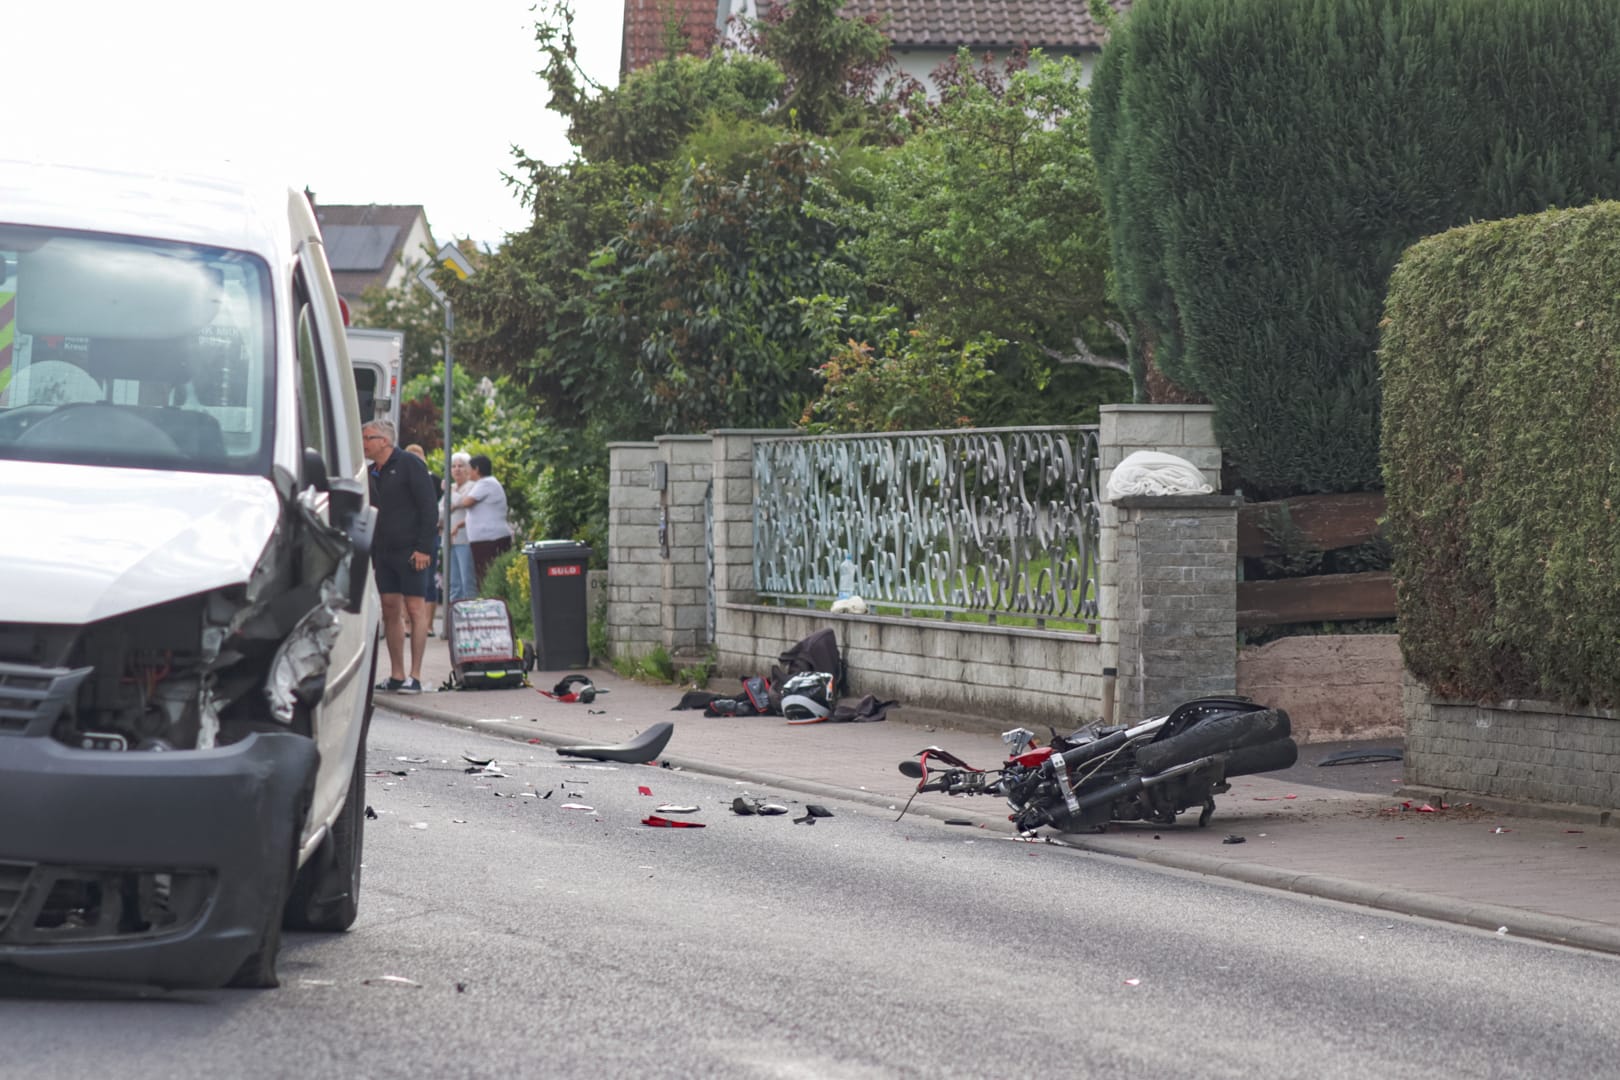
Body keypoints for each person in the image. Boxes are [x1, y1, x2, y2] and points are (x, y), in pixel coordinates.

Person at [363, 420, 438, 693]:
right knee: (390, 608)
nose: (364, 443)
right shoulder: (370, 473)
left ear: (384, 441)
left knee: (416, 610)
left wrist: (424, 548)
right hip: (384, 552)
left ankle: (415, 676)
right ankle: (397, 674)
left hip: (411, 551)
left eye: (368, 438)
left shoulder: (409, 464)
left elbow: (429, 508)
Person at [458, 453, 513, 590]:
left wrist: (451, 491)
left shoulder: (486, 483)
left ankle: (492, 606)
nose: (467, 472)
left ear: (476, 469)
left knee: (487, 577)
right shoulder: (486, 483)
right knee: (484, 576)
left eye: (469, 468)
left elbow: (466, 502)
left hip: (490, 539)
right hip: (487, 538)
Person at [404, 443, 443, 637]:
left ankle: (427, 625)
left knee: (428, 580)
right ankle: (407, 624)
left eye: (418, 457)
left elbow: (439, 508)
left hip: (428, 537)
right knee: (405, 582)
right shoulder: (400, 479)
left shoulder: (434, 481)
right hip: (406, 537)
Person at [446, 451, 476, 602]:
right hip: (449, 540)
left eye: (461, 466)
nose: (457, 469)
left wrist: (451, 495)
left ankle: (470, 619)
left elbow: (462, 502)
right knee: (453, 584)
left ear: (468, 469)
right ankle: (454, 620)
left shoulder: (472, 486)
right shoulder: (450, 487)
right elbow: (441, 511)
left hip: (465, 539)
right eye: (453, 466)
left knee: (467, 583)